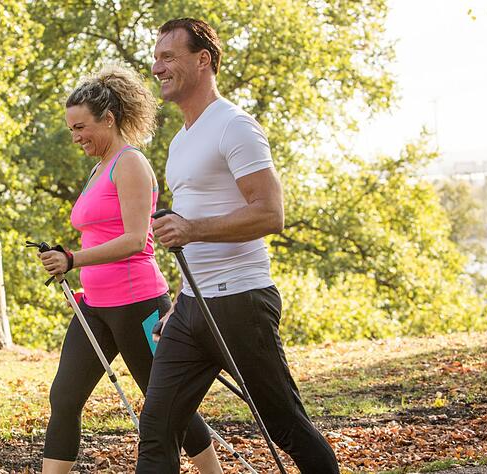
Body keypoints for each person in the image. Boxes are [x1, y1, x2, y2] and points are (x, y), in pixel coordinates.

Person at [136, 18, 340, 473]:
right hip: (192, 308)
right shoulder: (180, 140)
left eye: (168, 57)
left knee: (284, 424)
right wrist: (180, 298)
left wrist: (191, 230)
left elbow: (271, 213)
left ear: (202, 59)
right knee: (157, 425)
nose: (157, 67)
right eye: (156, 57)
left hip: (241, 302)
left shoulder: (235, 126)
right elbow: (190, 221)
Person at [36, 65, 223, 474]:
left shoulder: (130, 163)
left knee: (166, 402)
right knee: (64, 397)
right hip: (96, 306)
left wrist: (73, 259)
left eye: (82, 127)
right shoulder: (98, 168)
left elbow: (138, 239)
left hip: (139, 304)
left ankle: (213, 471)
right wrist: (65, 259)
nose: (76, 137)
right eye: (71, 130)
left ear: (109, 118)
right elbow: (99, 231)